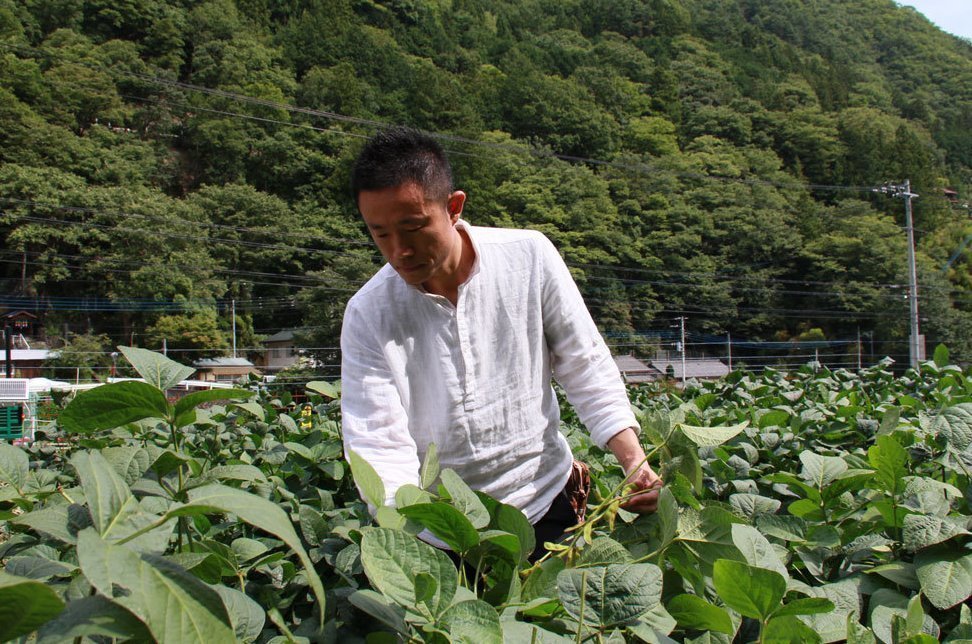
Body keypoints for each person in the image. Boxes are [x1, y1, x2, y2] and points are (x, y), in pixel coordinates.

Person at [340, 127, 661, 556]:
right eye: (380, 233)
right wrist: (408, 539)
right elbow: (378, 442)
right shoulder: (368, 313)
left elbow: (583, 363)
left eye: (413, 227)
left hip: (548, 504)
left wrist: (633, 460)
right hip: (444, 534)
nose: (399, 250)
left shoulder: (528, 257)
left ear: (453, 208)